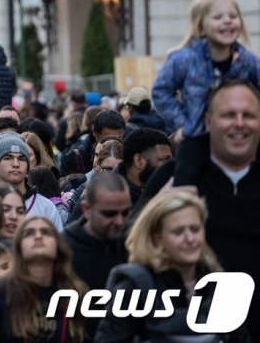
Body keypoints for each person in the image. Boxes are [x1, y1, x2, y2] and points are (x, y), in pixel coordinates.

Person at [137, 78, 260, 336]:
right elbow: (132, 244)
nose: (239, 123)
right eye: (228, 115)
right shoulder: (173, 179)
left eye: (248, 115)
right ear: (207, 121)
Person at [96, 192, 250, 342]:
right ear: (158, 238)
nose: (190, 239)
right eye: (178, 232)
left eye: (195, 229)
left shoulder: (220, 284)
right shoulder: (135, 288)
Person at [153, 0, 260, 138]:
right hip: (199, 137)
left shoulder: (247, 60)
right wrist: (185, 122)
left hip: (238, 136)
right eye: (218, 17)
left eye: (233, 16)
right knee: (187, 160)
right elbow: (160, 91)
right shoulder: (184, 58)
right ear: (201, 25)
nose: (227, 20)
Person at [0, 216, 87, 342]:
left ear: (58, 245)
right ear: (18, 247)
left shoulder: (77, 293)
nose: (38, 236)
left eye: (46, 232)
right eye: (29, 233)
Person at [62, 171, 130, 292]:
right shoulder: (63, 249)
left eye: (125, 213)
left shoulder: (134, 242)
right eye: (109, 214)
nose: (119, 221)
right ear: (86, 209)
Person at [0, 134, 64, 230]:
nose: (16, 164)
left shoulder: (46, 206)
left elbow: (58, 243)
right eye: (8, 158)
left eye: (21, 159)